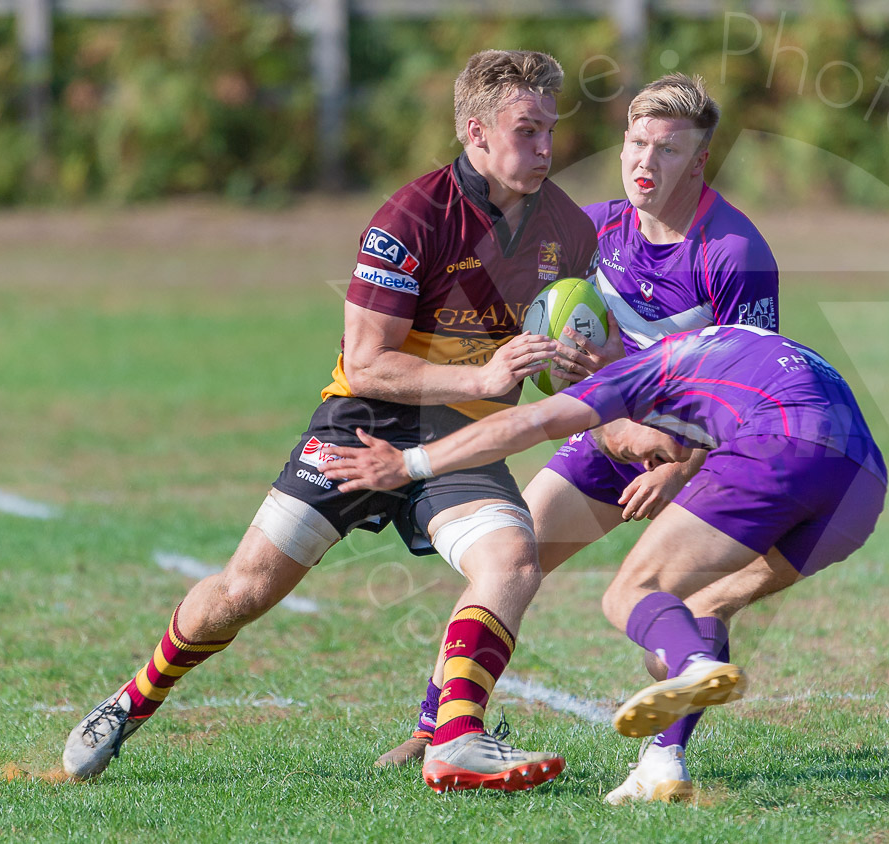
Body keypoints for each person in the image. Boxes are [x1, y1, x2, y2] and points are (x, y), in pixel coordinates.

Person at [61, 50, 597, 793]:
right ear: (475, 132)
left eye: (551, 131)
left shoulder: (569, 228)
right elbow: (369, 361)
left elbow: (552, 347)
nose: (545, 149)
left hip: (461, 442)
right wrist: (484, 373)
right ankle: (129, 703)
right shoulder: (411, 217)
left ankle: (457, 739)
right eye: (527, 130)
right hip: (364, 426)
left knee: (512, 559)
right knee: (243, 592)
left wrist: (569, 364)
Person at [375, 74, 780, 806]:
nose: (645, 161)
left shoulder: (734, 254)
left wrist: (681, 467)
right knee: (511, 558)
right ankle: (439, 725)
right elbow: (516, 307)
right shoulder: (588, 232)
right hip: (612, 442)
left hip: (711, 457)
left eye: (668, 147)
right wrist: (542, 353)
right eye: (635, 143)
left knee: (694, 599)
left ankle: (667, 761)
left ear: (701, 159)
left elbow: (751, 389)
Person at [321, 324, 886, 796]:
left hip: (783, 445)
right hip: (863, 487)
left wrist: (411, 464)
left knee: (627, 595)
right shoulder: (731, 351)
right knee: (706, 600)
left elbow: (522, 425)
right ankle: (663, 764)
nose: (652, 460)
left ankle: (692, 665)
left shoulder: (638, 374)